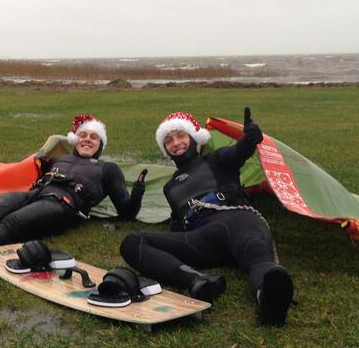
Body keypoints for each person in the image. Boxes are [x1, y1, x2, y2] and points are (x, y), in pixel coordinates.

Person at [119, 109, 294, 326]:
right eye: (169, 140)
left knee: (258, 257)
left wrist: (249, 140)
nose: (176, 143)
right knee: (133, 242)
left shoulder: (215, 159)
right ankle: (198, 281)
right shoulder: (169, 187)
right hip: (203, 239)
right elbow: (177, 226)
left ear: (195, 138)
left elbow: (238, 152)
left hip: (239, 221)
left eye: (181, 136)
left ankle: (269, 302)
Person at [0, 114, 147, 267]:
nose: (87, 140)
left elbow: (126, 212)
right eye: (82, 136)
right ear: (74, 140)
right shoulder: (60, 158)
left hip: (63, 206)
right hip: (34, 194)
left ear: (101, 144)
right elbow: (37, 160)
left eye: (94, 137)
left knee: (14, 221)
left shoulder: (108, 169)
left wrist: (137, 190)